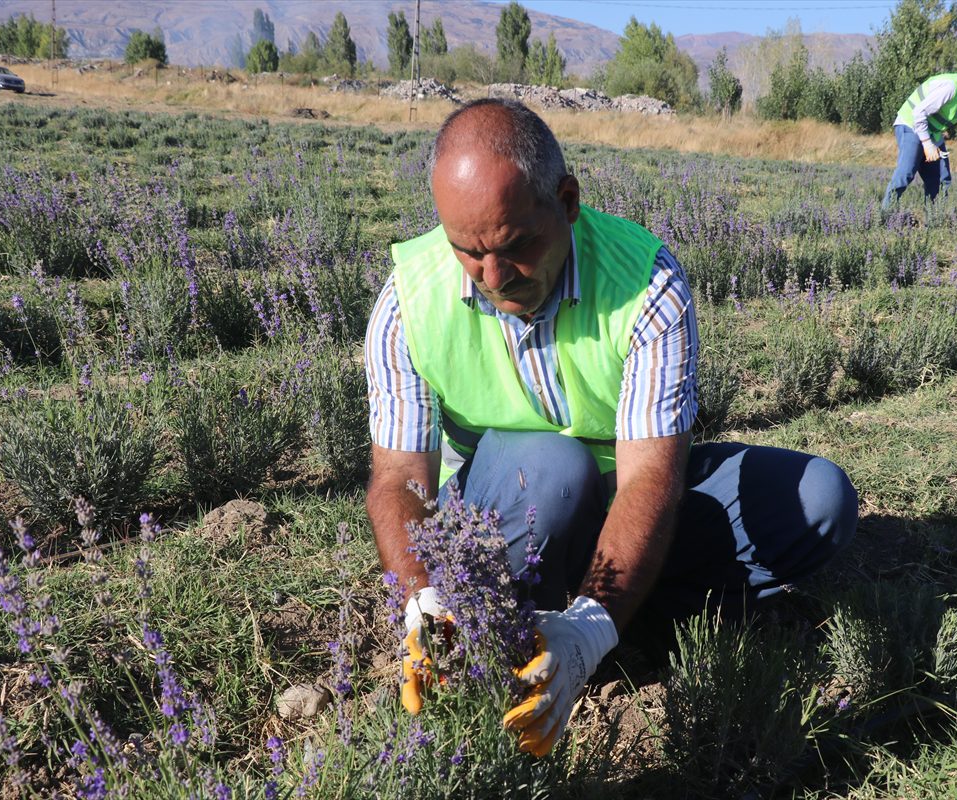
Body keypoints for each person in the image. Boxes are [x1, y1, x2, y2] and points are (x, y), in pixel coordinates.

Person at [365, 98, 858, 756]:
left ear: (567, 201)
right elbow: (400, 479)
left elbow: (651, 475)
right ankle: (514, 643)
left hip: (619, 498)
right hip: (500, 520)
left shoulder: (644, 281)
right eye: (467, 252)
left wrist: (592, 626)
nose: (492, 278)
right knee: (546, 469)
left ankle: (594, 620)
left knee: (819, 500)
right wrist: (423, 597)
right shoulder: (408, 299)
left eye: (516, 247)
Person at [882, 62, 957, 210]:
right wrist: (926, 143)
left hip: (933, 133)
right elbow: (919, 113)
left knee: (941, 179)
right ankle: (884, 215)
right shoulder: (950, 87)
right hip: (910, 124)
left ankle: (933, 221)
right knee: (906, 172)